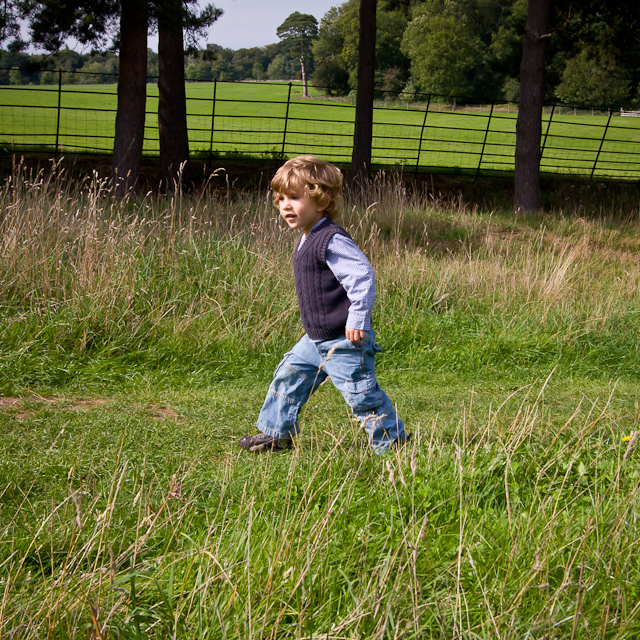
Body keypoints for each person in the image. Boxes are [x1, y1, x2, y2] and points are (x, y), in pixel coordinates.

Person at [238, 155, 408, 454]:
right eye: (280, 199)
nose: (285, 206)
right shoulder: (306, 237)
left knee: (361, 395)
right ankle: (276, 433)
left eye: (294, 197)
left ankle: (393, 443)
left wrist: (357, 318)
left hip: (344, 339)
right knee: (288, 378)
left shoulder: (330, 238)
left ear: (322, 200)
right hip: (316, 337)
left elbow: (362, 277)